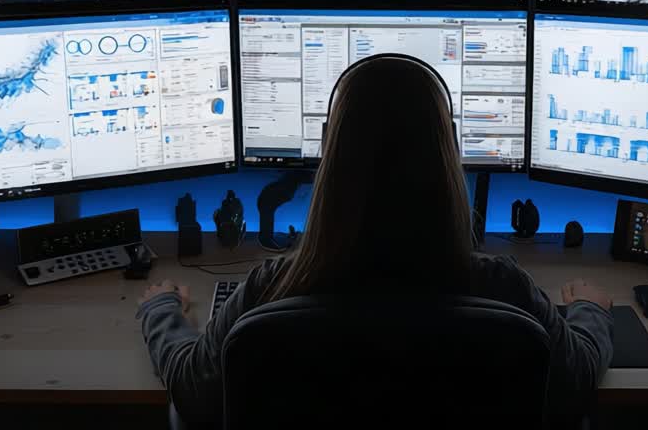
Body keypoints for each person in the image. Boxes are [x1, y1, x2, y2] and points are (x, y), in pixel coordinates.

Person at [138, 54, 614, 425]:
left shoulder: (273, 288)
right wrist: (590, 309)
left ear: (329, 148)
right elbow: (575, 385)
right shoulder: (501, 287)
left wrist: (161, 311)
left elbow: (191, 389)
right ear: (448, 147)